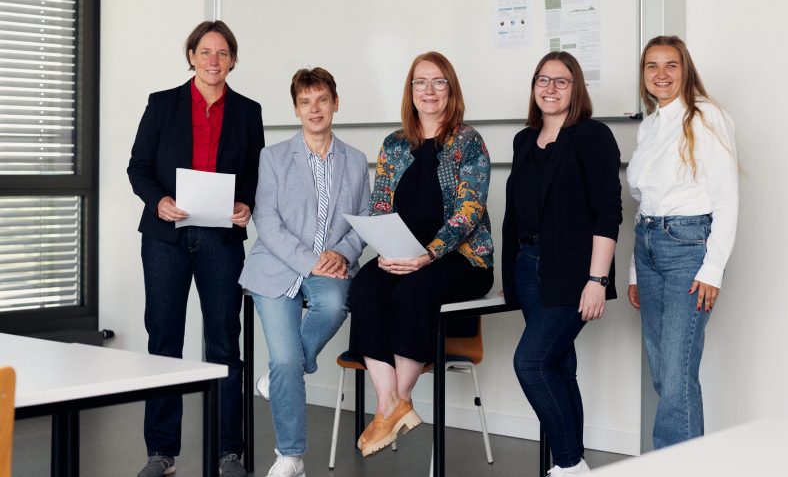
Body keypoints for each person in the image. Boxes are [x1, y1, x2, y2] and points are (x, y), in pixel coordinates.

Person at [127, 20, 264, 477]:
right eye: (205, 52)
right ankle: (161, 452)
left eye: (222, 53)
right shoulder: (162, 104)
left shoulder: (248, 111)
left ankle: (229, 452)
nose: (213, 61)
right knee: (163, 340)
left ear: (232, 60)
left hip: (222, 240)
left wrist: (246, 204)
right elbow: (138, 167)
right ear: (191, 56)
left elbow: (254, 177)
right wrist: (158, 200)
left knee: (224, 344)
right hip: (167, 239)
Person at [347, 51, 494, 457]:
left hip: (463, 259)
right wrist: (389, 248)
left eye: (438, 81)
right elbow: (380, 206)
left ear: (451, 89)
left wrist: (426, 256)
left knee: (414, 290)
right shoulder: (394, 145)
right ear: (410, 92)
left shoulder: (468, 141)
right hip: (404, 254)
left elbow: (470, 211)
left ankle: (396, 400)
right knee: (364, 286)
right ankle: (390, 404)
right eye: (420, 82)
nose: (429, 91)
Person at [238, 67, 370, 477]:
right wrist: (309, 260)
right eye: (305, 102)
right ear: (296, 109)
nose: (315, 109)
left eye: (322, 100)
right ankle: (290, 457)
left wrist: (343, 254)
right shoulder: (273, 157)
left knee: (333, 307)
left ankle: (283, 374)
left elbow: (363, 217)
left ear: (335, 103)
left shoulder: (356, 160)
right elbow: (267, 220)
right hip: (278, 267)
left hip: (331, 268)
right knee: (284, 358)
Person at [502, 51, 622, 477]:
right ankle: (571, 463)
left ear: (576, 90)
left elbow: (608, 211)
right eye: (542, 80)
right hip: (528, 266)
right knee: (557, 366)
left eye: (561, 81)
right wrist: (510, 272)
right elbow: (517, 213)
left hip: (573, 272)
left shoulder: (592, 136)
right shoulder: (523, 140)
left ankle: (570, 466)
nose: (550, 88)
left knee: (531, 362)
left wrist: (596, 279)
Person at [626, 35, 738, 449]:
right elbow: (644, 203)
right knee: (663, 370)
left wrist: (713, 268)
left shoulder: (706, 116)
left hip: (688, 247)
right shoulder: (650, 125)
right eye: (652, 66)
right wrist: (635, 269)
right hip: (649, 245)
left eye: (670, 65)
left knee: (676, 373)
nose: (661, 74)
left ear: (685, 70)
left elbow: (727, 197)